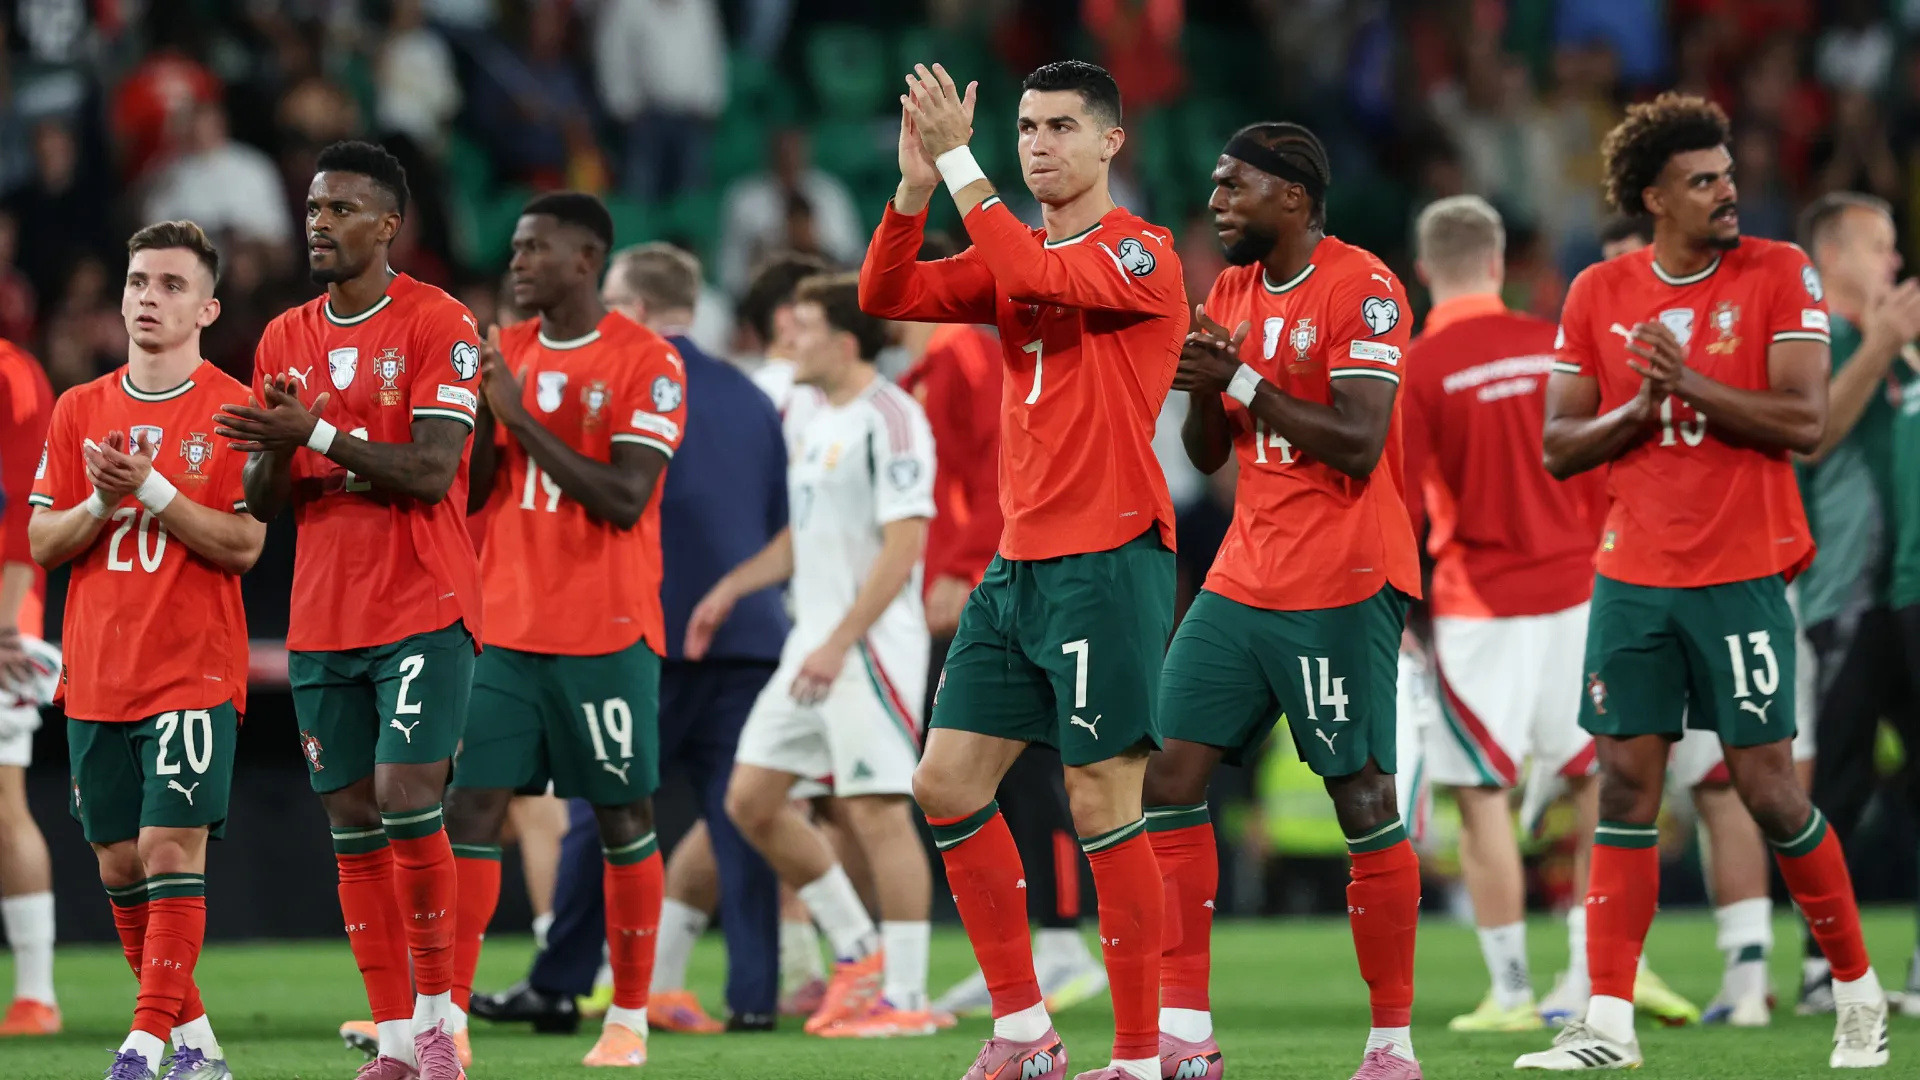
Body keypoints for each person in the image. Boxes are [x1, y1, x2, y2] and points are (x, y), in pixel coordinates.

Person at [1514, 93, 1889, 1071]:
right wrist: (1638, 410)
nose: (1730, 193)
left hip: (1744, 574)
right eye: (1704, 181)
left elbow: (1802, 422)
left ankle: (1856, 996)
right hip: (1631, 579)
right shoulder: (1598, 291)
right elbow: (1558, 444)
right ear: (1653, 197)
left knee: (1769, 791)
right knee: (1626, 789)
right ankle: (1606, 1025)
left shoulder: (1778, 271)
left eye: (1728, 175)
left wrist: (1687, 387)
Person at [861, 59, 1187, 1080]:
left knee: (1102, 800)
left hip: (1108, 558)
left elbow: (1041, 275)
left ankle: (1140, 1057)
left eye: (1059, 127)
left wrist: (962, 162)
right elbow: (886, 291)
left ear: (1109, 144)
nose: (1038, 144)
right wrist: (916, 184)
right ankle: (1023, 1030)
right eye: (1025, 129)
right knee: (946, 783)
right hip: (1018, 563)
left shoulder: (1142, 254)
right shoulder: (1015, 248)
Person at [1147, 122, 1421, 1080]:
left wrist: (1242, 376)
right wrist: (1197, 383)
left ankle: (1392, 1045)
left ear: (1293, 198)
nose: (1217, 205)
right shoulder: (1227, 291)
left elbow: (1356, 439)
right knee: (1166, 777)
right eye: (1216, 188)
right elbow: (1213, 452)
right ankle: (1182, 1034)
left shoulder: (1365, 287)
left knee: (1360, 797)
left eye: (1234, 189)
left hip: (1342, 573)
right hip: (1245, 572)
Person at [214, 140, 483, 1080]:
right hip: (324, 615)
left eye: (340, 209)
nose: (318, 223)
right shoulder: (283, 337)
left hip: (421, 598)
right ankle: (400, 1043)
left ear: (387, 224)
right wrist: (279, 447)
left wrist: (317, 430)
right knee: (352, 817)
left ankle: (445, 1023)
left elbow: (433, 469)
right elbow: (259, 497)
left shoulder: (439, 323)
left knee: (411, 797)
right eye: (314, 208)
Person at [440, 193, 686, 1069]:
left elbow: (624, 497)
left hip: (608, 629)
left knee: (622, 816)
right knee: (469, 806)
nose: (517, 262)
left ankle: (628, 1017)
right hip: (506, 626)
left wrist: (514, 415)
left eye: (535, 249)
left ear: (586, 260)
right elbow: (470, 495)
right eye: (514, 248)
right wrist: (478, 414)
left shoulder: (648, 362)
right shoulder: (502, 353)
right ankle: (448, 1018)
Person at [28, 220, 260, 1080]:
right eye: (137, 283)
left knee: (170, 848)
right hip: (97, 668)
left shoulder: (234, 410)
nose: (147, 299)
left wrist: (154, 490)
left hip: (192, 667)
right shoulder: (78, 408)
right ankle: (197, 1047)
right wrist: (99, 501)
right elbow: (44, 541)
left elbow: (244, 545)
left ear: (208, 307)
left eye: (168, 285)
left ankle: (143, 1044)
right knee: (120, 861)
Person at [690, 272, 939, 1037]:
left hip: (869, 650)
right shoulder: (821, 421)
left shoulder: (892, 419)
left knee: (876, 812)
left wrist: (838, 642)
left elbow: (905, 546)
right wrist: (733, 586)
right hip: (815, 644)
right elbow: (806, 537)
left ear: (842, 340)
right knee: (750, 801)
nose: (785, 339)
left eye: (799, 327)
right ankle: (859, 951)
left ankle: (906, 998)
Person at [1397, 194, 1604, 1035]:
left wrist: (1403, 610)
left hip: (1480, 604)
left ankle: (1513, 992)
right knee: (1595, 783)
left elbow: (1401, 506)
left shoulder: (1417, 364)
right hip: (1581, 594)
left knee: (1481, 794)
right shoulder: (1555, 344)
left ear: (1423, 271)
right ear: (1498, 263)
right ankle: (1592, 975)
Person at [896, 233, 1108, 1019]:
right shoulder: (946, 360)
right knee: (996, 772)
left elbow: (990, 472)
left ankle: (1059, 946)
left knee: (1021, 769)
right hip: (993, 574)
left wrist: (958, 567)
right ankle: (1041, 948)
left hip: (992, 579)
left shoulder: (959, 355)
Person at [606, 242, 786, 1033]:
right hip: (751, 634)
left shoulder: (627, 384)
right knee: (740, 820)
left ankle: (567, 974)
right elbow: (781, 519)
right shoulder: (752, 395)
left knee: (606, 811)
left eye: (613, 305)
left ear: (637, 311)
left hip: (650, 632)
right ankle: (754, 997)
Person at [1795, 192, 1920, 1017]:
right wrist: (1880, 344)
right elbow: (1812, 434)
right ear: (1830, 257)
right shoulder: (1814, 347)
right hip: (1842, 596)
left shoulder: (1904, 353)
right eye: (1880, 248)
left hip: (1910, 593)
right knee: (1832, 788)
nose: (1896, 265)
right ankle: (1820, 967)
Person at [0, 335, 57, 1038]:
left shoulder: (13, 375)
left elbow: (24, 505)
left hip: (5, 613)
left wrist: (8, 622)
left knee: (3, 803)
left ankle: (36, 995)